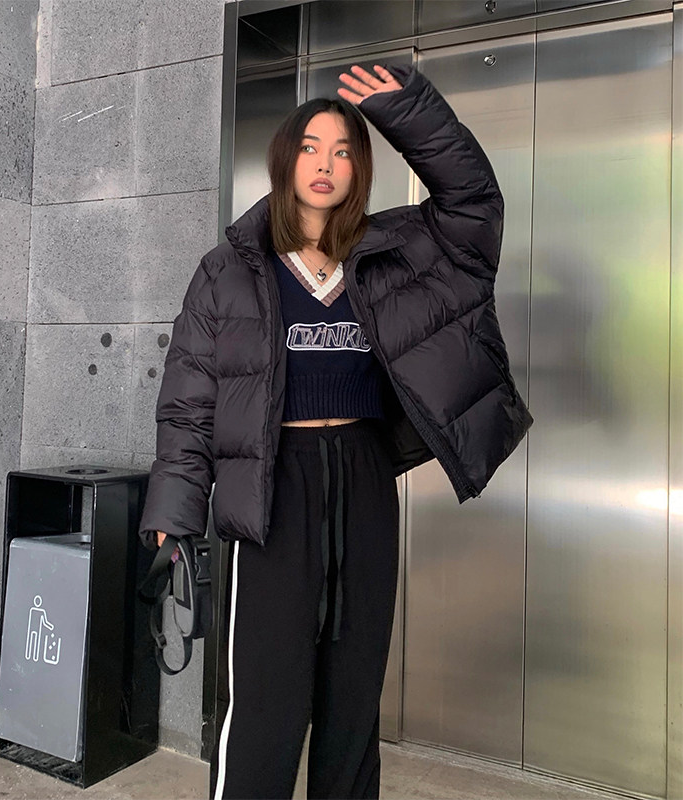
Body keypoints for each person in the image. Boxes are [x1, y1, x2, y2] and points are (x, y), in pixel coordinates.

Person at [139, 62, 533, 800]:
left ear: (360, 168)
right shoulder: (228, 270)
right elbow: (189, 401)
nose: (325, 163)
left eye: (344, 150)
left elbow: (476, 206)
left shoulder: (394, 253)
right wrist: (174, 512)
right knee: (266, 699)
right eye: (311, 147)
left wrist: (411, 111)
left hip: (362, 472)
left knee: (353, 698)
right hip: (270, 483)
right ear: (285, 160)